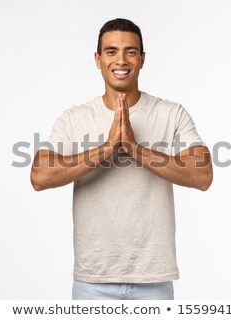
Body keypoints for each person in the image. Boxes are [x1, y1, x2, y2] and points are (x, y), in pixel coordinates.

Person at [30, 18, 213, 300]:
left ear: (142, 59)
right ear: (98, 59)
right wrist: (107, 148)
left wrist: (135, 148)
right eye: (111, 51)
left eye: (130, 51)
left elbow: (202, 176)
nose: (121, 60)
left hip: (153, 279)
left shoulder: (171, 114)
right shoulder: (74, 118)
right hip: (93, 281)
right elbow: (40, 177)